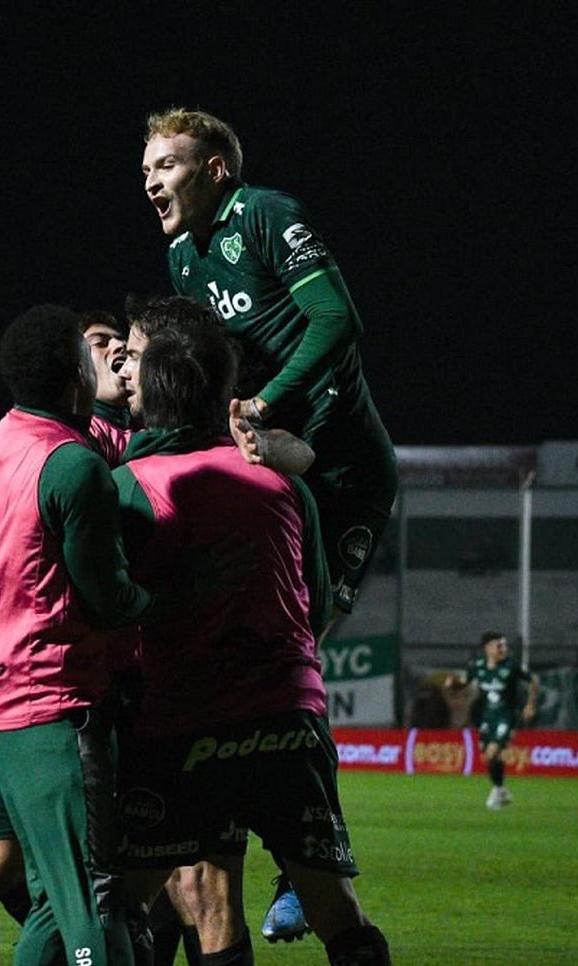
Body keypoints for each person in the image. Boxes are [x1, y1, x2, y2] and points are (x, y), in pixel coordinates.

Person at [112, 317, 394, 966]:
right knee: (336, 911)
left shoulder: (129, 485)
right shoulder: (284, 487)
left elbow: (109, 605)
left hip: (184, 726)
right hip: (288, 722)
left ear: (152, 393)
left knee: (126, 908)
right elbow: (318, 605)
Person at [0, 304, 160, 966]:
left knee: (51, 898)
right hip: (56, 702)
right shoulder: (73, 464)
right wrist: (166, 598)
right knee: (93, 900)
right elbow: (107, 595)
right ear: (76, 377)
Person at [140, 107, 397, 619]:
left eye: (166, 166)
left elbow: (336, 319)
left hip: (341, 460)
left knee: (303, 630)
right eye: (146, 171)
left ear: (214, 170)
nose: (151, 184)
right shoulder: (182, 256)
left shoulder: (264, 212)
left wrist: (262, 403)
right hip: (272, 454)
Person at [123, 295, 316, 951]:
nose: (124, 366)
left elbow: (103, 596)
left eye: (133, 353)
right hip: (283, 709)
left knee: (139, 899)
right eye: (112, 352)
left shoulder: (132, 477)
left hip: (178, 714)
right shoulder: (273, 476)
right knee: (197, 894)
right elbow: (310, 592)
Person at [444, 632, 538, 809]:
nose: (503, 649)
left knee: (492, 752)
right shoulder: (478, 666)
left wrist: (530, 705)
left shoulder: (511, 666)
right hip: (487, 717)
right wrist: (453, 683)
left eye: (504, 645)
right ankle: (501, 790)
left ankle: (497, 792)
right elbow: (464, 682)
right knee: (487, 757)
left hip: (507, 716)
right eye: (499, 645)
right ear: (488, 648)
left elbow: (533, 680)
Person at [82, 310, 135, 466]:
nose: (120, 345)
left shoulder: (153, 416)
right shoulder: (85, 437)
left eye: (121, 339)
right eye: (100, 343)